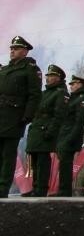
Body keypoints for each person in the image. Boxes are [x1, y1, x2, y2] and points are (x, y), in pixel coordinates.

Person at [0, 35, 42, 199]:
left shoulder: (30, 69)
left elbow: (34, 95)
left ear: (25, 51)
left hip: (14, 116)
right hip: (1, 115)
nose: (12, 51)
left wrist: (27, 116)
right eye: (11, 48)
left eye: (16, 48)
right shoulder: (5, 69)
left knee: (8, 154)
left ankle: (3, 187)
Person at [25, 64, 69, 197]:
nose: (48, 78)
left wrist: (51, 131)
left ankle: (41, 188)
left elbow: (59, 115)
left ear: (58, 78)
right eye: (48, 76)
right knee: (35, 161)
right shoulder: (44, 93)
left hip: (46, 130)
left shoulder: (61, 93)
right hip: (36, 130)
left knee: (43, 162)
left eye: (51, 76)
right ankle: (35, 186)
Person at [56, 74, 84, 196]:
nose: (71, 86)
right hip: (65, 134)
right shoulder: (73, 98)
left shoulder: (83, 99)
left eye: (73, 84)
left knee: (66, 164)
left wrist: (71, 137)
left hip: (71, 135)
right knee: (63, 164)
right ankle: (62, 189)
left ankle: (64, 191)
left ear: (80, 84)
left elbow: (80, 120)